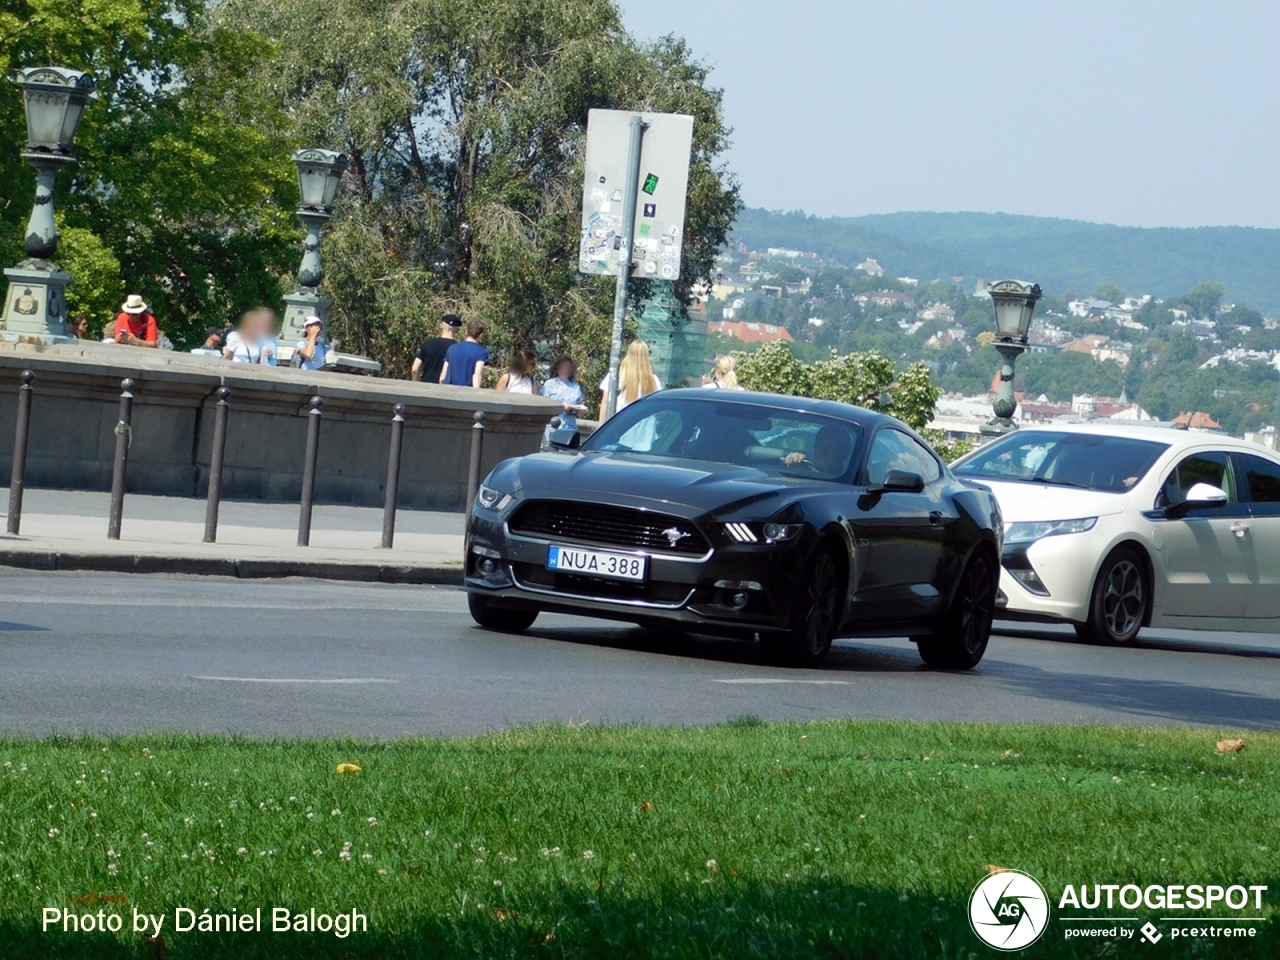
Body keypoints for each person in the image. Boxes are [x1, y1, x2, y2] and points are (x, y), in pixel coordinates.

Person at [600, 340, 662, 413]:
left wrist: (602, 423)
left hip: (623, 421)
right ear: (646, 356)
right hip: (646, 423)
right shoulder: (653, 380)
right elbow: (658, 406)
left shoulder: (615, 376)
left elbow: (605, 401)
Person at [411, 314, 461, 384]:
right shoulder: (458, 348)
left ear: (441, 326)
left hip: (426, 386)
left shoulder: (427, 343)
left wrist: (415, 383)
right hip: (448, 389)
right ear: (457, 331)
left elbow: (415, 369)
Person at [540, 356, 588, 428]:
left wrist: (579, 410)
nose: (566, 369)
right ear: (557, 367)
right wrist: (562, 407)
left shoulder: (575, 387)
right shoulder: (549, 384)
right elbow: (543, 404)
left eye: (568, 367)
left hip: (570, 426)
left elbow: (579, 406)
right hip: (553, 425)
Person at [440, 319, 489, 387]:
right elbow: (477, 375)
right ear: (480, 335)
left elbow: (444, 372)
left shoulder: (452, 348)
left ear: (466, 332)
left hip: (449, 389)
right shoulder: (482, 352)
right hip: (466, 391)